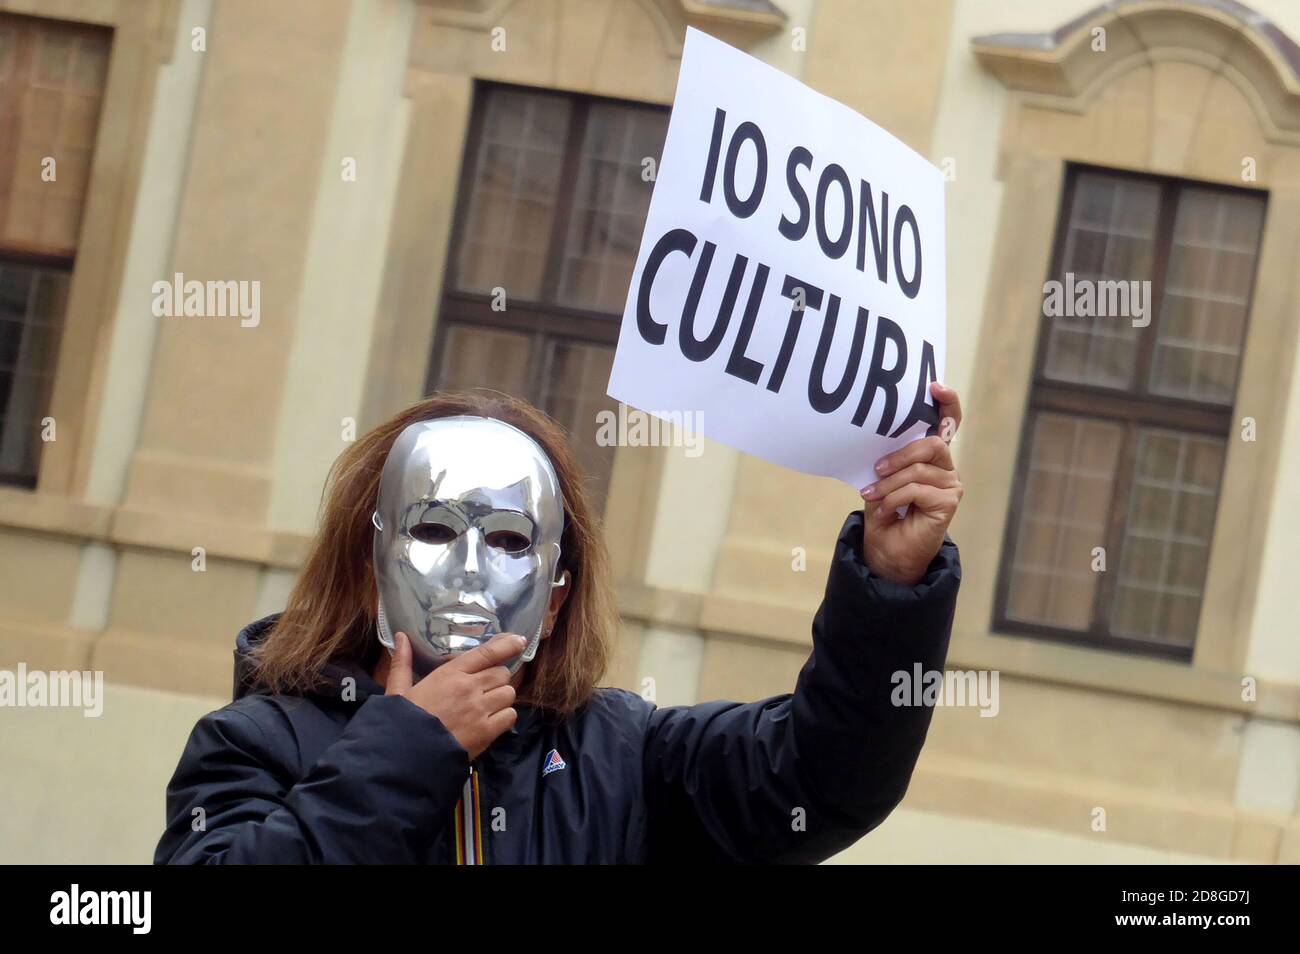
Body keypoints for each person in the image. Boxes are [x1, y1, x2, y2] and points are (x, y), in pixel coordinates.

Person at [155, 384, 964, 864]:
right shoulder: (252, 747)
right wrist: (403, 752)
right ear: (369, 566)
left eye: (510, 541)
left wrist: (891, 580)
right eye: (434, 529)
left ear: (554, 596)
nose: (470, 569)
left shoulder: (623, 761)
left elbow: (826, 778)